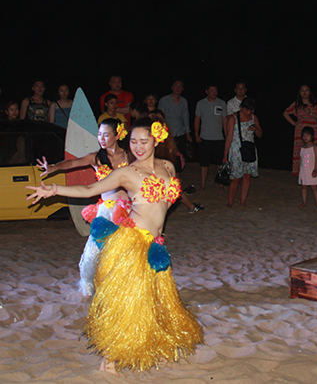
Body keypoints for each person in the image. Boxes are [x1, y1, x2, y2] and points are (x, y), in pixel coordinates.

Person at [27, 117, 203, 373]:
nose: (138, 147)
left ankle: (146, 344)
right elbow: (89, 188)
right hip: (132, 242)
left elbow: (167, 204)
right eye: (133, 141)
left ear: (156, 140)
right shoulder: (126, 172)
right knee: (127, 300)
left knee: (151, 297)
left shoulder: (168, 166)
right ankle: (109, 359)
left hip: (155, 242)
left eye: (144, 141)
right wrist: (54, 189)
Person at [36, 118, 131, 296]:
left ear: (117, 135)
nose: (101, 138)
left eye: (106, 134)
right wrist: (53, 168)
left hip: (129, 210)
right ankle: (87, 285)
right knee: (93, 250)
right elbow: (72, 163)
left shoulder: (129, 156)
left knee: (125, 250)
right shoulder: (96, 157)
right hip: (106, 209)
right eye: (99, 134)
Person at [283, 85, 317, 185]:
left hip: (313, 130)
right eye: (302, 90)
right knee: (301, 153)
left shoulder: (315, 103)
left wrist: (311, 113)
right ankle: (302, 176)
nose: (304, 92)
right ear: (299, 92)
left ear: (310, 92)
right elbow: (285, 113)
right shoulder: (297, 104)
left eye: (306, 90)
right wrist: (294, 123)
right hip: (301, 131)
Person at [224, 97, 263, 207]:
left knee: (247, 176)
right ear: (241, 107)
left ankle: (242, 201)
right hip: (236, 150)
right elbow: (229, 137)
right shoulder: (233, 118)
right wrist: (225, 154)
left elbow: (260, 135)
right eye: (247, 109)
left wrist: (256, 129)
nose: (249, 112)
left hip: (249, 149)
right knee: (236, 178)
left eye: (251, 110)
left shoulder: (253, 117)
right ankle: (230, 202)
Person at [194, 84, 228, 191]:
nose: (214, 92)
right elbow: (197, 119)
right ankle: (203, 184)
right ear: (207, 91)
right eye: (211, 90)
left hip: (218, 138)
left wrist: (227, 135)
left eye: (215, 90)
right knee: (204, 163)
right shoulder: (201, 103)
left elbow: (224, 120)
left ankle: (221, 184)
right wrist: (196, 134)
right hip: (205, 138)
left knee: (219, 163)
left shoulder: (222, 103)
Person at [158, 80, 193, 160]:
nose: (178, 87)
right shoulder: (164, 100)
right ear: (172, 87)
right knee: (167, 154)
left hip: (180, 132)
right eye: (176, 85)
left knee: (179, 155)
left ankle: (177, 172)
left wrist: (188, 133)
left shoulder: (184, 101)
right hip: (167, 132)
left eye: (180, 86)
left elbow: (185, 116)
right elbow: (160, 117)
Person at [297, 126, 317, 208]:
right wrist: (299, 170)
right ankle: (304, 202)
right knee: (304, 186)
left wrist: (315, 169)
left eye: (307, 135)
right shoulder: (302, 148)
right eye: (304, 135)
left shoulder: (314, 147)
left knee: (314, 187)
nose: (305, 137)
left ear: (312, 136)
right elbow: (300, 159)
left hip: (312, 170)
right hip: (304, 170)